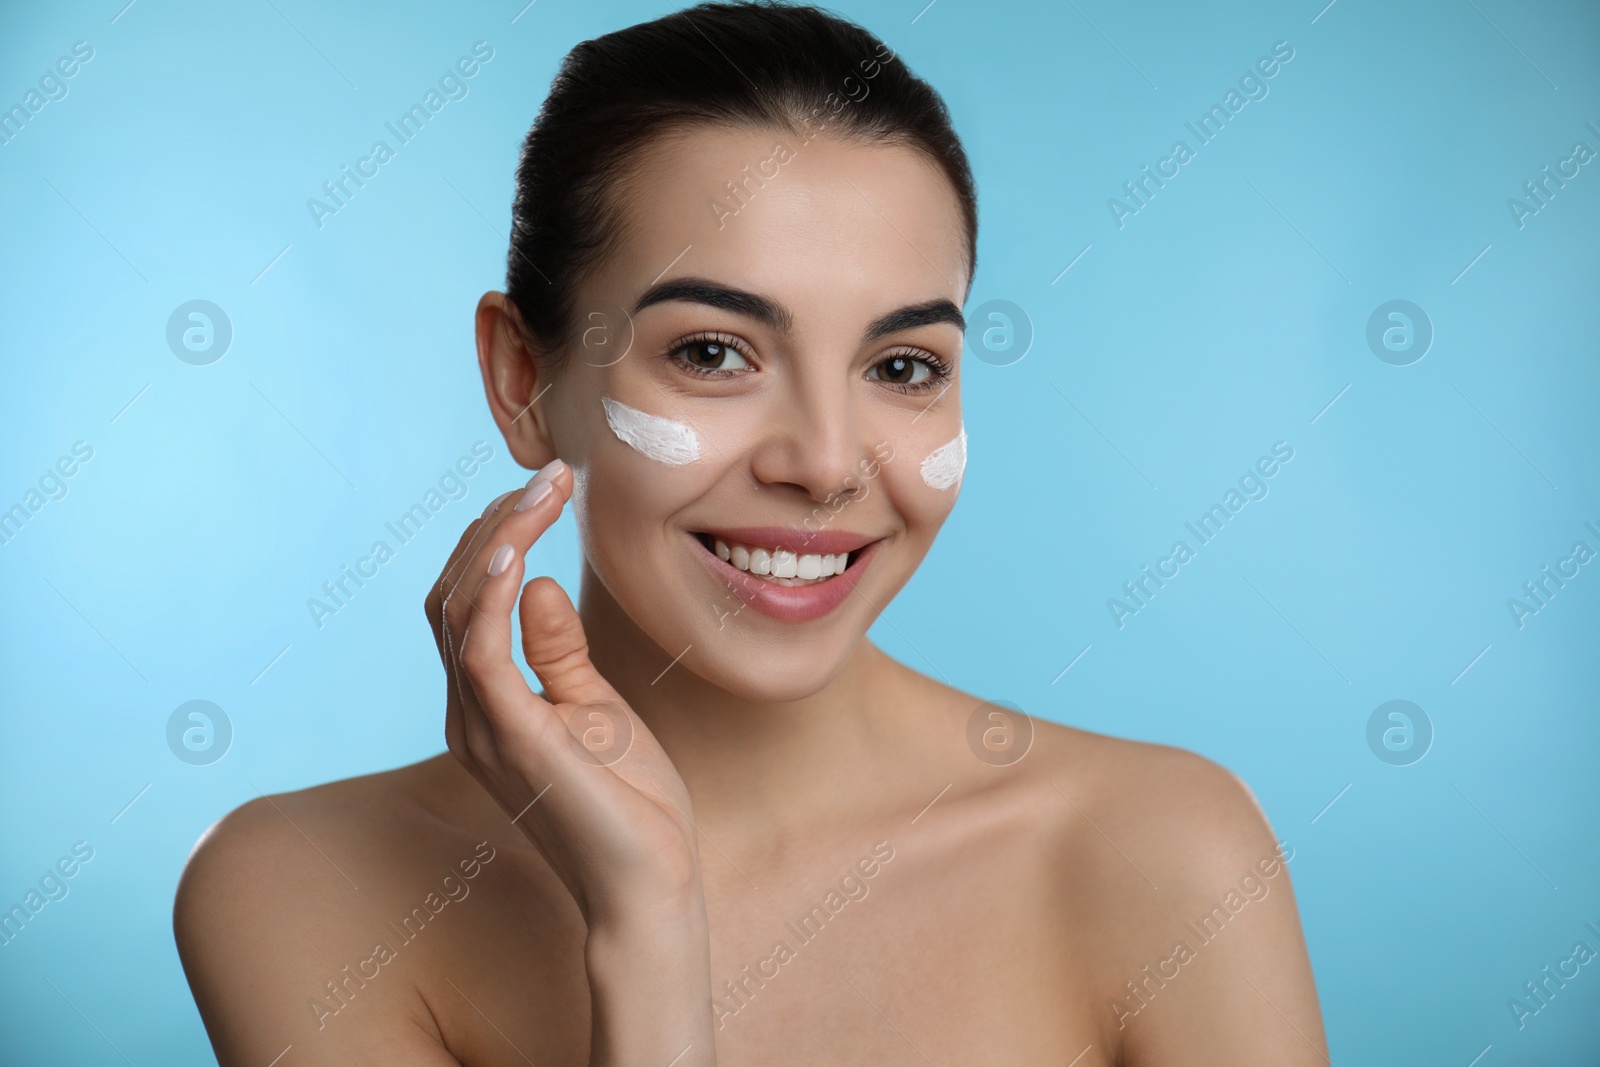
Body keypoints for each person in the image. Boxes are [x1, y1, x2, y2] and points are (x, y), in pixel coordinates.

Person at [173, 3, 1327, 1063]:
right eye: (714, 352)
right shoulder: (303, 890)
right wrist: (649, 929)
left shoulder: (1166, 855)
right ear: (525, 377)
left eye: (902, 366)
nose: (825, 463)